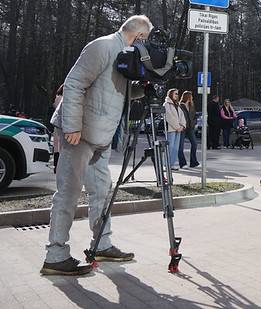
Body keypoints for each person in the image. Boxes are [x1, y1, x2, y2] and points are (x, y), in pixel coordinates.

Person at [42, 15, 152, 276]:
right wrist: (72, 126)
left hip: (100, 137)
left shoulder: (124, 56)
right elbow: (74, 83)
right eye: (145, 41)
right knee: (69, 192)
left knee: (102, 191)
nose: (146, 46)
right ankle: (55, 256)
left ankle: (102, 244)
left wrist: (146, 88)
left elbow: (118, 92)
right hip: (79, 134)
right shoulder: (103, 46)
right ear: (139, 36)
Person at [163, 89, 187, 170]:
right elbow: (169, 117)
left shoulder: (177, 104)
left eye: (177, 94)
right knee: (170, 147)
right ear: (170, 94)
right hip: (171, 129)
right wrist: (177, 127)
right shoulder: (166, 104)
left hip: (178, 129)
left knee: (176, 147)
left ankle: (171, 164)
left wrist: (182, 125)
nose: (177, 95)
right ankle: (165, 164)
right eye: (175, 94)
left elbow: (182, 116)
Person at [179, 91, 200, 168]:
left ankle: (193, 162)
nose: (192, 98)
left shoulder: (191, 106)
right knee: (180, 146)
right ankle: (183, 163)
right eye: (191, 96)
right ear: (187, 97)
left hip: (190, 128)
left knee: (194, 143)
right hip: (183, 128)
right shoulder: (180, 106)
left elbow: (194, 116)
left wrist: (194, 123)